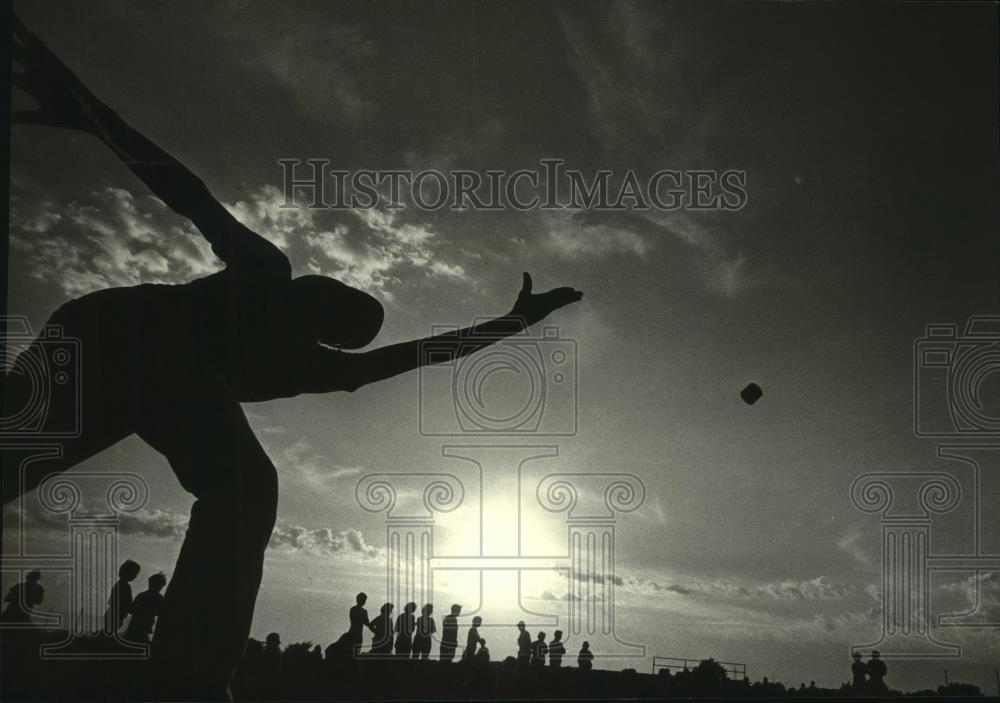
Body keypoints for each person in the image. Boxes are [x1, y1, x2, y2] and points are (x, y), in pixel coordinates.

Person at [6, 17, 582, 698]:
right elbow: (185, 193)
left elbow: (421, 353)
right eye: (343, 289)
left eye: (341, 307)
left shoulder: (293, 332)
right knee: (243, 486)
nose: (328, 289)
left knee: (231, 485)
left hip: (114, 355)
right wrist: (89, 113)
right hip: (118, 340)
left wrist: (513, 323)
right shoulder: (275, 292)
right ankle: (191, 674)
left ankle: (189, 673)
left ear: (326, 325)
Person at [124, 572, 167, 643]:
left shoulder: (141, 595)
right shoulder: (160, 598)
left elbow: (131, 609)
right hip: (145, 627)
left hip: (135, 626)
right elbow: (160, 613)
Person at [103, 559, 140, 634]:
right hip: (116, 617)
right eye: (135, 573)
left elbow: (111, 601)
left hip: (112, 614)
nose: (136, 576)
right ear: (129, 573)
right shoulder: (126, 587)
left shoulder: (118, 585)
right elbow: (128, 605)